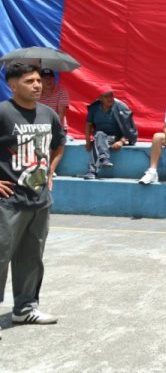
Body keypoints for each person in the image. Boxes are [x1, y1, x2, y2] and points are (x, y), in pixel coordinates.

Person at [0, 62, 65, 333]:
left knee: (31, 257)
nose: (37, 85)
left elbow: (59, 144)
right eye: (29, 81)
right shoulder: (3, 112)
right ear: (13, 85)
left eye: (38, 80)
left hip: (39, 200)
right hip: (9, 201)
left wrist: (50, 169)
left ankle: (25, 310)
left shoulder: (48, 114)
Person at [82, 89, 137, 180]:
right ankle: (103, 158)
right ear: (100, 99)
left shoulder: (120, 107)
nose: (110, 98)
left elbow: (127, 128)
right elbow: (88, 124)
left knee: (97, 142)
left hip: (115, 137)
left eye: (111, 96)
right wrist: (87, 141)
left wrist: (121, 141)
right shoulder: (94, 108)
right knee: (99, 135)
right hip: (100, 136)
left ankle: (92, 171)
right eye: (106, 96)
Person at [38, 68, 69, 135]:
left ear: (54, 79)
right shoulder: (36, 93)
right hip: (39, 127)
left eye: (50, 77)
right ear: (40, 80)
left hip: (57, 127)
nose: (48, 80)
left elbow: (61, 115)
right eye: (45, 78)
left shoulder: (62, 92)